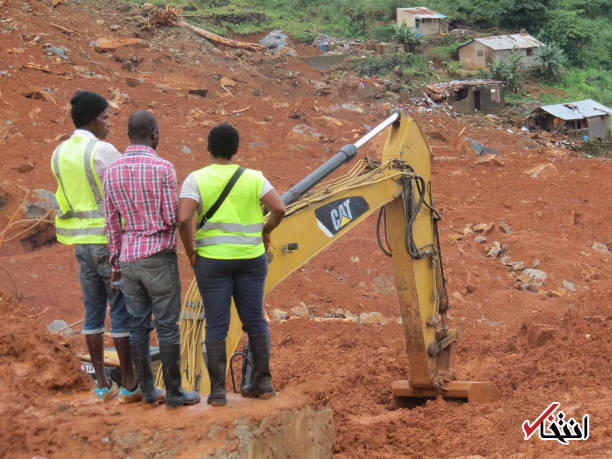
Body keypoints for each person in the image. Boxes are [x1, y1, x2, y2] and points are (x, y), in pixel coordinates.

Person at [178, 123, 285, 406]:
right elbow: (279, 208)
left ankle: (217, 393)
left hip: (212, 263)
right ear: (236, 150)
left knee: (216, 324)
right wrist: (265, 230)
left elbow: (183, 219)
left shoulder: (195, 179)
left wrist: (190, 252)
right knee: (255, 321)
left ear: (209, 148)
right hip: (251, 260)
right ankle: (263, 383)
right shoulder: (255, 178)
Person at [103, 111, 200, 408]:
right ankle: (173, 392)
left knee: (137, 326)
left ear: (129, 134)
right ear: (154, 134)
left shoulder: (112, 170)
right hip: (158, 255)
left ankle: (147, 391)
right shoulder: (163, 168)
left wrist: (116, 266)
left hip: (128, 257)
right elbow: (171, 217)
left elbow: (111, 223)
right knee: (168, 325)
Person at [50, 90, 138, 402]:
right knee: (120, 309)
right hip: (108, 242)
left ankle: (101, 383)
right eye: (104, 118)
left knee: (92, 311)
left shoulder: (59, 153)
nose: (108, 124)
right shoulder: (103, 151)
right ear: (91, 120)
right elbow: (124, 191)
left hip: (81, 244)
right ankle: (129, 382)